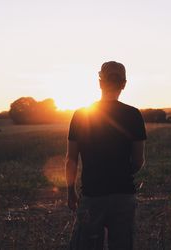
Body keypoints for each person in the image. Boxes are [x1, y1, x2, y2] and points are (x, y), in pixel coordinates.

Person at [65, 61, 147, 250]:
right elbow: (138, 160)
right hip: (123, 194)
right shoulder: (133, 115)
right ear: (124, 84)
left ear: (100, 83)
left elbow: (71, 159)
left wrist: (71, 191)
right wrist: (122, 174)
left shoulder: (81, 114)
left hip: (92, 195)